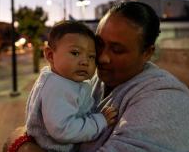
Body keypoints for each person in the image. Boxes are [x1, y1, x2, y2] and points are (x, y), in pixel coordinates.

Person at [4, 1, 189, 152]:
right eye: (99, 45)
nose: (102, 58)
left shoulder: (167, 99)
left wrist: (20, 143)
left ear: (147, 52)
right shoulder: (92, 80)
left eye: (117, 49)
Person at [21, 21, 117, 152]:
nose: (85, 62)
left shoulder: (62, 80)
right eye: (75, 53)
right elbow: (63, 130)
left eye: (91, 56)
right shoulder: (57, 86)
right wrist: (100, 121)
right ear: (50, 55)